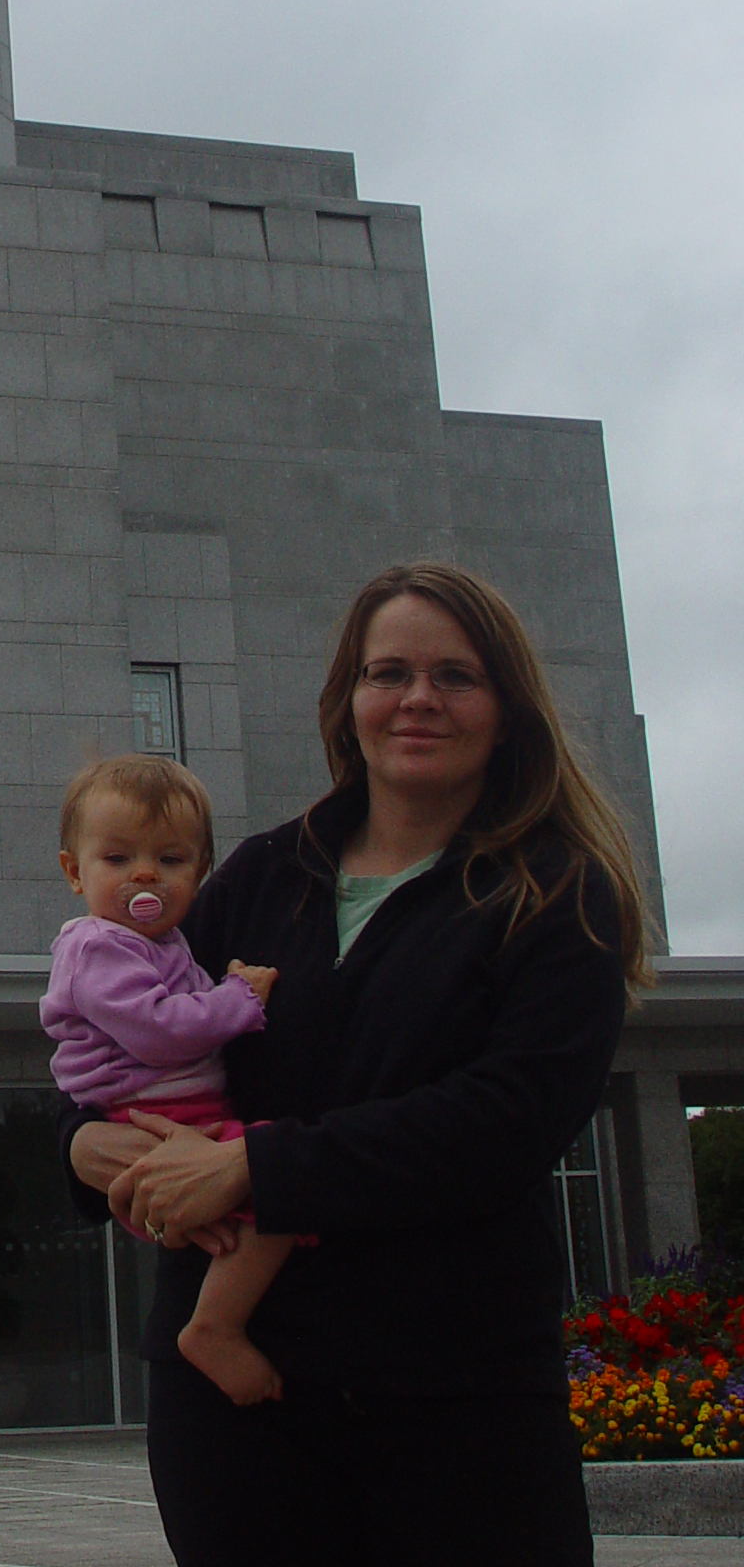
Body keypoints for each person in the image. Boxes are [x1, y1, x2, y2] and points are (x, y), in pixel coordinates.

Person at [63, 562, 650, 1567]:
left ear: (506, 708)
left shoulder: (559, 893)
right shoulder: (258, 873)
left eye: (455, 676)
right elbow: (123, 1030)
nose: (418, 697)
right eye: (390, 672)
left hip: (455, 1399)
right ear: (349, 703)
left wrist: (259, 1167)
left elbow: (508, 1119)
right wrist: (78, 1144)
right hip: (235, 1412)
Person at [42, 754, 295, 1402]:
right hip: (152, 1119)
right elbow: (159, 1030)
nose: (146, 874)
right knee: (281, 1186)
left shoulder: (161, 942)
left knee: (259, 1200)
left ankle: (215, 1321)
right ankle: (213, 1327)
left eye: (172, 861)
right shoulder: (97, 946)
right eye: (118, 859)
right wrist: (241, 998)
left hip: (177, 1120)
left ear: (202, 871)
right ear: (75, 871)